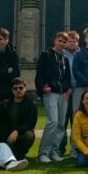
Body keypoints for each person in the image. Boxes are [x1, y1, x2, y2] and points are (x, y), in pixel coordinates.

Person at [35, 32, 71, 163]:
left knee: (61, 124)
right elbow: (39, 73)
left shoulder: (65, 58)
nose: (62, 43)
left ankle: (54, 151)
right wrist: (42, 87)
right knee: (53, 122)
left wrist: (69, 88)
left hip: (63, 94)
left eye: (64, 42)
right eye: (60, 40)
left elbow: (67, 76)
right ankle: (43, 153)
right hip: (51, 93)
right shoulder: (46, 55)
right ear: (55, 40)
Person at [0, 78, 38, 161]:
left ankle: (20, 154)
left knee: (29, 135)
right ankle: (10, 153)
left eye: (21, 88)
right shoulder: (3, 104)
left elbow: (31, 123)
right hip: (6, 136)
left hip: (21, 135)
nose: (18, 90)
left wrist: (17, 131)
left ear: (25, 89)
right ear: (12, 90)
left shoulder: (31, 105)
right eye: (15, 88)